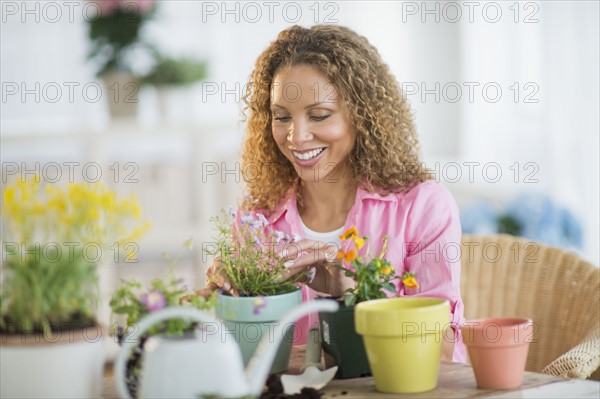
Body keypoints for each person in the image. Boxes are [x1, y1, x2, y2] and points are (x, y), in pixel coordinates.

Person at [205, 24, 465, 362]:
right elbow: (243, 356)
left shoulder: (421, 207)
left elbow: (444, 350)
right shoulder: (259, 217)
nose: (296, 137)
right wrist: (226, 302)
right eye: (282, 117)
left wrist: (354, 297)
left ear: (362, 115)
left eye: (319, 115)